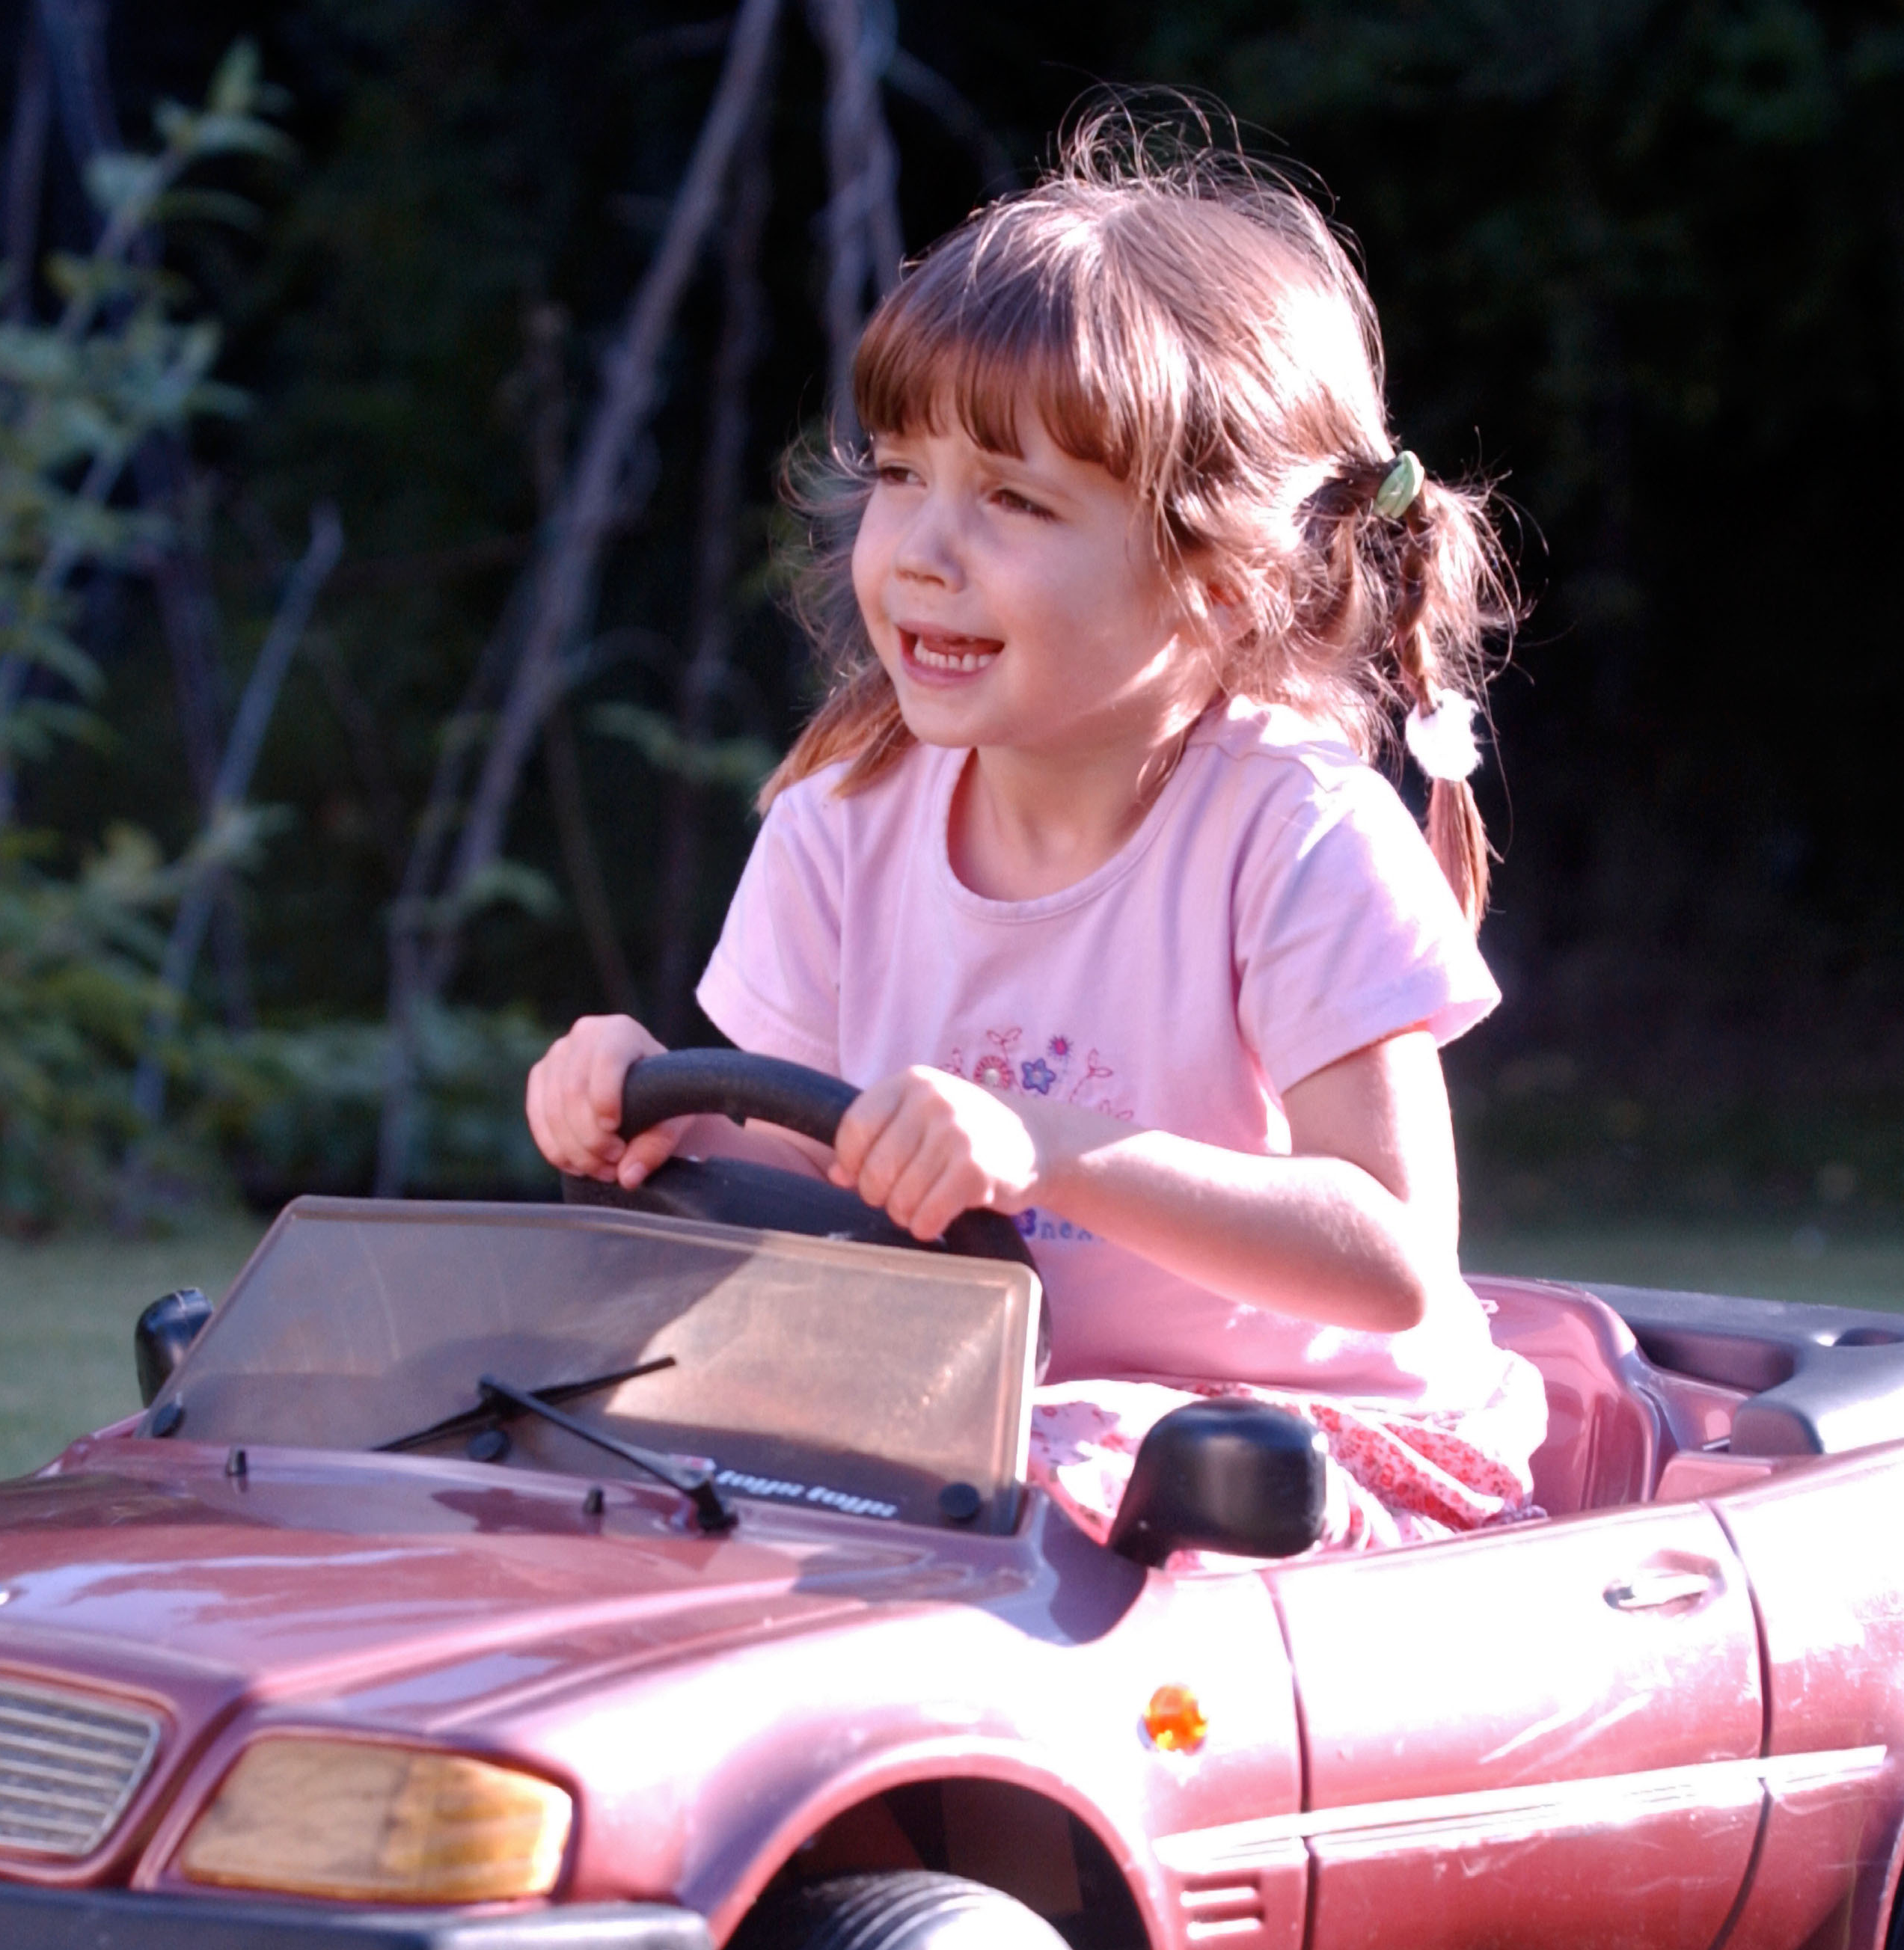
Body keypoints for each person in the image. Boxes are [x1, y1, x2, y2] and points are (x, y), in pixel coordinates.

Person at [524, 114, 1542, 1551]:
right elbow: (796, 1175)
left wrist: (1045, 1150)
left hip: (1290, 1448)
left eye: (1011, 497)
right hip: (976, 1429)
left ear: (1219, 576)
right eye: (896, 473)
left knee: (992, 1494)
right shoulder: (839, 824)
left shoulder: (1291, 830)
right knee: (572, 1441)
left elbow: (1389, 1255)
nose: (922, 549)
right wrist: (641, 1106)